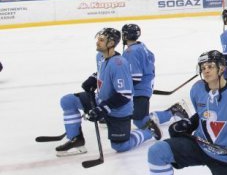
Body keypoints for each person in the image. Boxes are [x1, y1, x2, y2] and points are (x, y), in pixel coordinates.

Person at [55, 28, 161, 157]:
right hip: (101, 100)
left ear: (111, 44)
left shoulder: (119, 63)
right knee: (68, 101)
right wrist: (93, 79)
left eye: (101, 40)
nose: (97, 43)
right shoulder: (103, 57)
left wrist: (102, 109)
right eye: (98, 40)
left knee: (121, 146)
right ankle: (76, 140)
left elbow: (124, 95)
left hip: (118, 110)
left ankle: (148, 131)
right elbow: (104, 74)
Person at [121, 23, 186, 131]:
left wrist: (122, 89)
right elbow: (151, 58)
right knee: (138, 117)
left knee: (140, 121)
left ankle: (173, 111)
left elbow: (135, 78)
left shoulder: (130, 52)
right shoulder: (141, 46)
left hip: (140, 90)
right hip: (146, 86)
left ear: (125, 35)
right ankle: (173, 111)